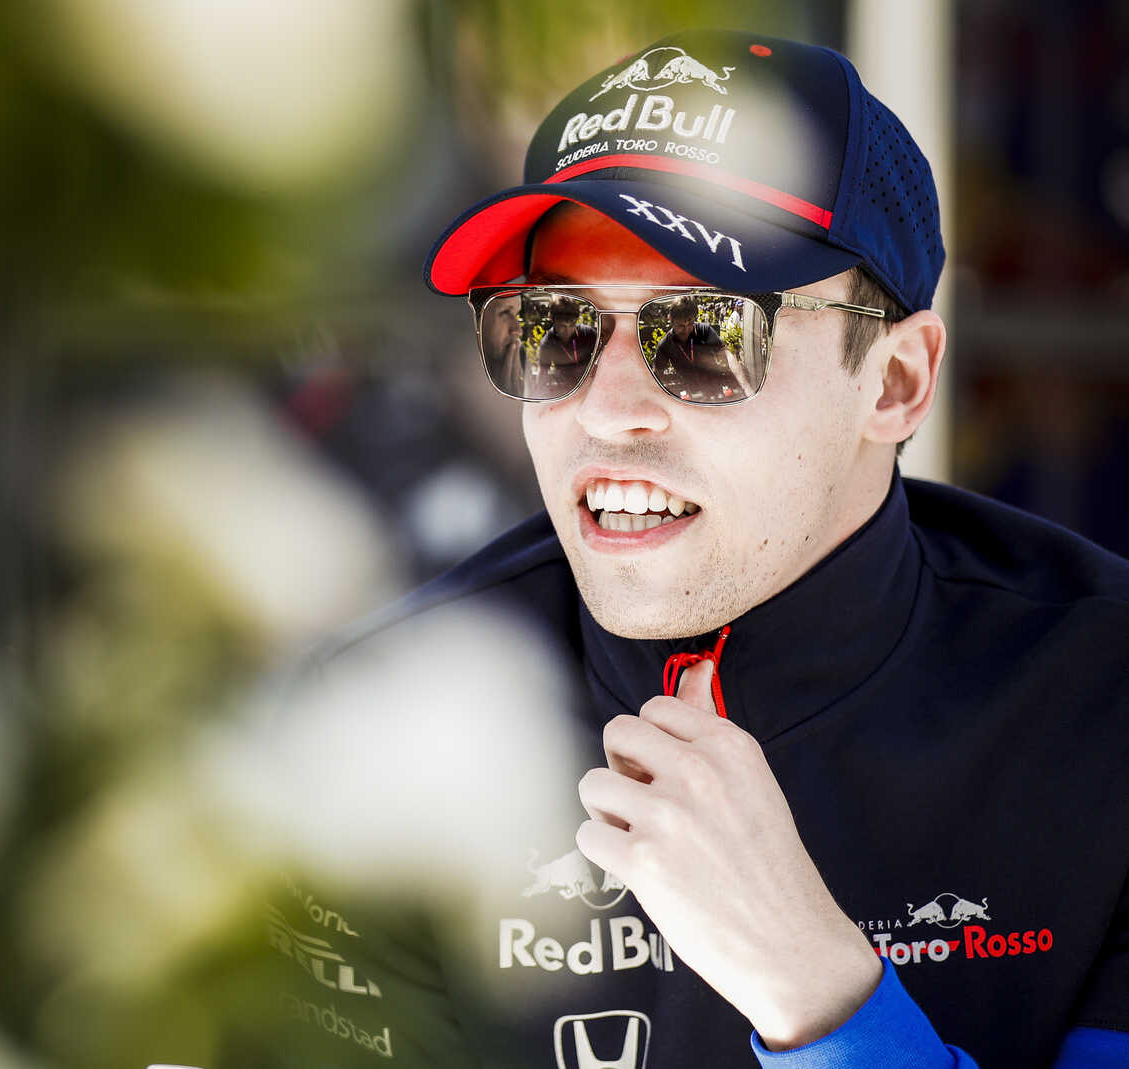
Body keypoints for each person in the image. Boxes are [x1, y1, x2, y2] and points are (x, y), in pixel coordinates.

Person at [259, 29, 1129, 1069]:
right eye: (554, 328)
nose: (607, 409)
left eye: (706, 333)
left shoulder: (1101, 702)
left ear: (894, 383)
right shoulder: (379, 727)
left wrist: (820, 994)